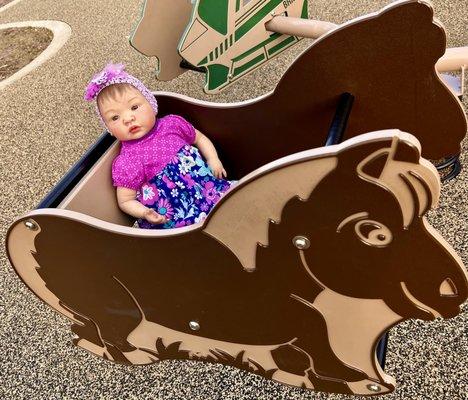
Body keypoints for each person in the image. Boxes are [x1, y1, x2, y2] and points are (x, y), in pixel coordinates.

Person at [85, 63, 235, 229]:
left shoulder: (172, 124)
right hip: (178, 217)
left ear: (150, 102)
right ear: (109, 129)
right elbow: (125, 200)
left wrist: (213, 159)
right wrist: (144, 213)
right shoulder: (127, 161)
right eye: (114, 118)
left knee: (234, 204)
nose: (128, 118)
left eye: (134, 107)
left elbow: (198, 138)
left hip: (209, 190)